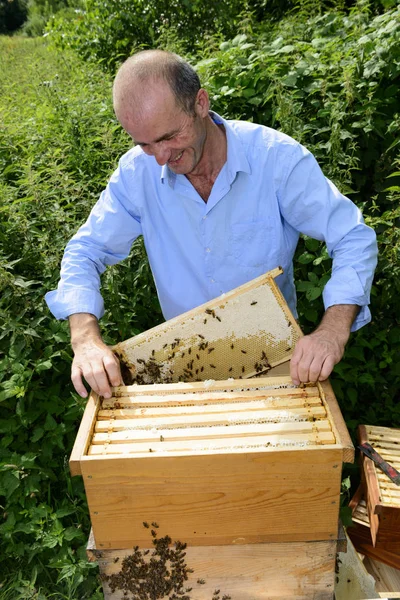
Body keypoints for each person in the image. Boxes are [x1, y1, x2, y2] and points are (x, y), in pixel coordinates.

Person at [45, 49, 378, 399]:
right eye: (143, 143)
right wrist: (84, 338)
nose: (160, 157)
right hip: (186, 367)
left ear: (200, 103)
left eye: (169, 136)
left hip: (278, 360)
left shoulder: (275, 158)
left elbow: (353, 237)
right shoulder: (135, 174)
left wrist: (331, 332)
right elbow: (86, 250)